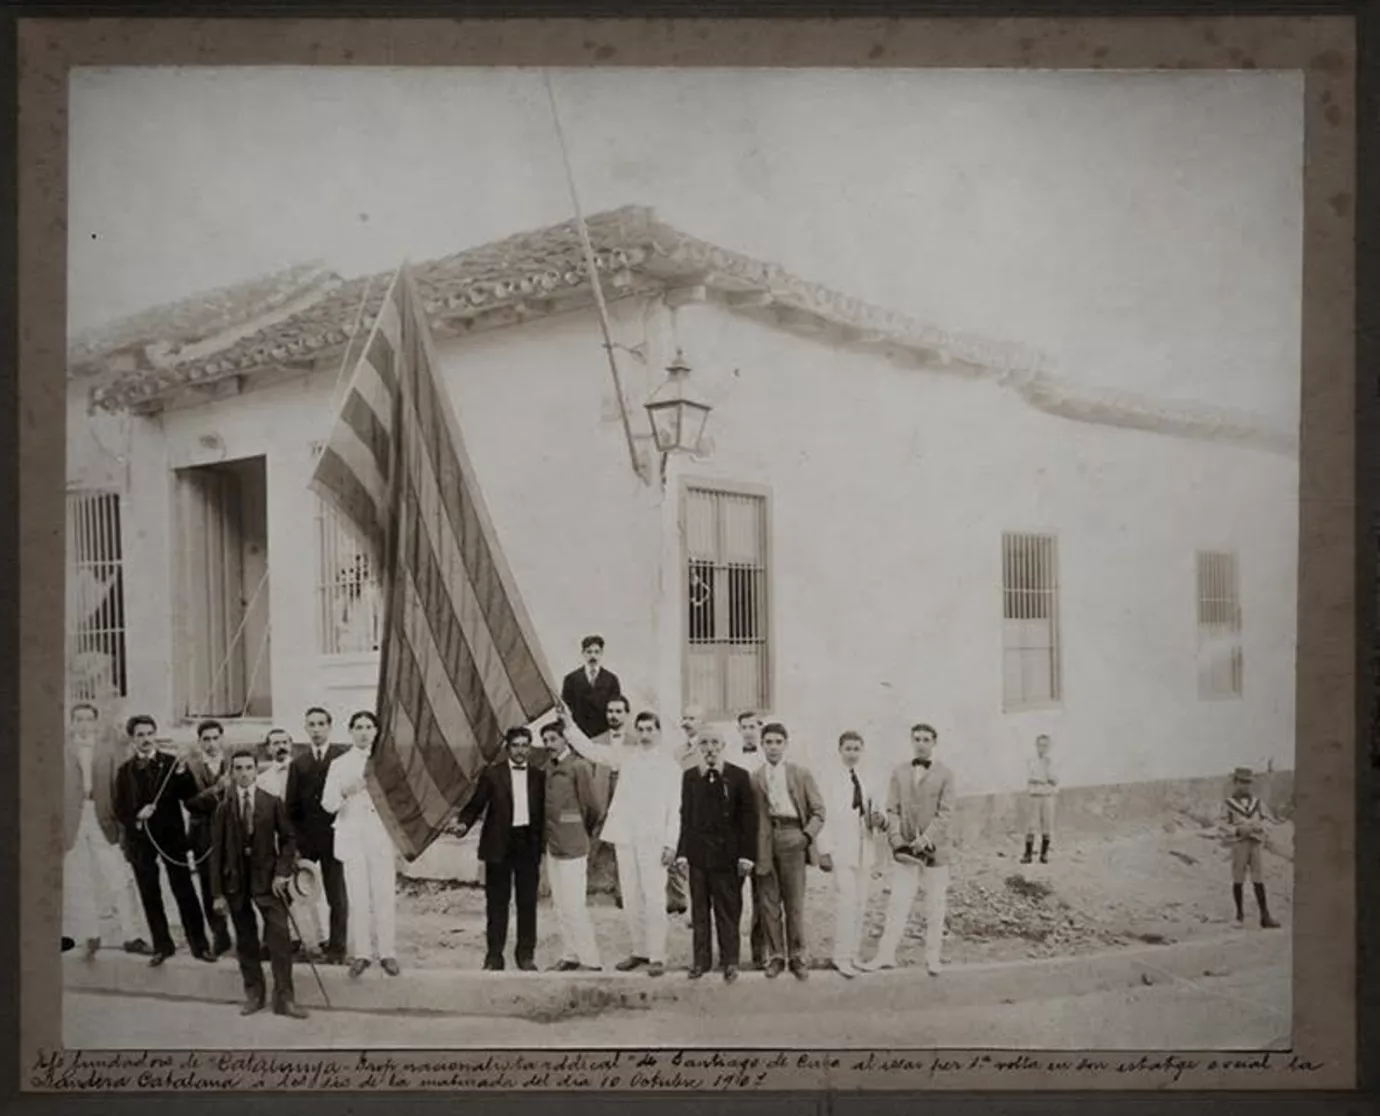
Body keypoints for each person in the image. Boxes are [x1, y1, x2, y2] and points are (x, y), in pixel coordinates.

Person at [574, 710, 680, 977]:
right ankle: (639, 950)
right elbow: (592, 751)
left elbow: (675, 809)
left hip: (654, 840)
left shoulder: (670, 766)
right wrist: (568, 726)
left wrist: (670, 843)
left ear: (658, 732)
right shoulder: (627, 758)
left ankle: (657, 955)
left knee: (655, 898)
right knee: (631, 898)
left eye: (650, 730)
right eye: (641, 730)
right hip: (626, 837)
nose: (645, 735)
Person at [209, 747, 307, 1019]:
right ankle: (254, 994)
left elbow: (288, 840)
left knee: (280, 938)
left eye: (248, 768)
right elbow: (216, 853)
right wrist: (217, 893)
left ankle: (284, 999)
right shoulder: (223, 808)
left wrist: (282, 873)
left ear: (256, 770)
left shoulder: (271, 801)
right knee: (246, 940)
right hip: (236, 883)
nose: (243, 773)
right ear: (231, 772)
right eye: (237, 768)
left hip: (269, 883)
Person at [113, 715, 214, 967]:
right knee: (149, 892)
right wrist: (138, 814)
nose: (146, 739)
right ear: (132, 738)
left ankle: (199, 945)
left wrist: (181, 774)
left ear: (155, 734)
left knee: (184, 890)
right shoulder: (125, 771)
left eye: (149, 733)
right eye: (140, 735)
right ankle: (162, 945)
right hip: (141, 840)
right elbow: (119, 808)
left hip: (171, 838)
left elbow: (189, 797)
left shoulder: (172, 764)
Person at [863, 723, 955, 977]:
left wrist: (926, 839)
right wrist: (895, 838)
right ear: (911, 741)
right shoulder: (900, 772)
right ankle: (885, 955)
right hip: (906, 851)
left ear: (934, 742)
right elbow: (892, 809)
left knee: (935, 906)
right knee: (897, 903)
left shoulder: (945, 774)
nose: (921, 743)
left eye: (926, 739)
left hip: (935, 852)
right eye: (917, 739)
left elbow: (946, 813)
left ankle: (933, 958)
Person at [61, 703, 150, 958]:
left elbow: (120, 789)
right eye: (79, 719)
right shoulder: (62, 751)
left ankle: (132, 936)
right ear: (72, 723)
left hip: (104, 818)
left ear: (96, 723)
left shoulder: (108, 751)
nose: (84, 724)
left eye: (89, 719)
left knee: (120, 878)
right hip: (73, 820)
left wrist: (123, 826)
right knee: (78, 880)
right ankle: (90, 934)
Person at [455, 726, 546, 971]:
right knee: (497, 903)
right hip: (498, 846)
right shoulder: (492, 774)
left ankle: (525, 956)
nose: (520, 751)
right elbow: (476, 804)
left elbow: (546, 813)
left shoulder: (539, 776)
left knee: (527, 903)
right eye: (516, 745)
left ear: (530, 748)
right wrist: (464, 823)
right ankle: (494, 956)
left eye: (525, 745)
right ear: (507, 748)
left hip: (528, 845)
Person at [322, 710, 400, 978]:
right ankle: (362, 954)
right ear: (351, 731)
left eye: (369, 727)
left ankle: (387, 952)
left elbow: (400, 802)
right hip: (353, 836)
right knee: (357, 896)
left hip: (380, 836)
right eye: (359, 727)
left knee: (384, 895)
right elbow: (327, 803)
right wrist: (345, 790)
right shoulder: (339, 764)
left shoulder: (387, 764)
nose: (364, 732)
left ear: (377, 731)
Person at [675, 728, 757, 983]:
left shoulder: (739, 776)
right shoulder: (690, 777)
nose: (709, 748)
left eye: (714, 742)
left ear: (723, 745)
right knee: (700, 911)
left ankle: (730, 961)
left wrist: (746, 855)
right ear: (698, 748)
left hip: (728, 858)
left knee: (728, 910)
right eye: (704, 743)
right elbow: (685, 817)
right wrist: (683, 853)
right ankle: (701, 961)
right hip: (699, 857)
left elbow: (748, 819)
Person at [750, 723, 826, 981]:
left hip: (793, 835)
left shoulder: (800, 774)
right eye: (768, 742)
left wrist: (806, 837)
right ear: (762, 745)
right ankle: (776, 956)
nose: (773, 747)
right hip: (765, 839)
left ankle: (797, 955)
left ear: (785, 744)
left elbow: (819, 811)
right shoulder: (755, 777)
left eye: (777, 742)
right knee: (769, 902)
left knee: (794, 902)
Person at [538, 717, 608, 971]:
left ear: (565, 739)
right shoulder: (547, 767)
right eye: (545, 740)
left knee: (575, 905)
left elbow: (593, 808)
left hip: (574, 845)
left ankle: (591, 959)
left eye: (553, 739)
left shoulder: (579, 767)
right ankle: (570, 955)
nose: (549, 744)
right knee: (560, 905)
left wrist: (578, 830)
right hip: (553, 845)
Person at [815, 730, 887, 978]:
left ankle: (853, 953)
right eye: (848, 748)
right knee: (846, 903)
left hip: (864, 849)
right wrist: (824, 849)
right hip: (841, 850)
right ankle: (841, 956)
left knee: (860, 904)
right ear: (840, 750)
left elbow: (877, 808)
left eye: (857, 748)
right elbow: (824, 816)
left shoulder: (868, 779)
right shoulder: (831, 779)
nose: (853, 753)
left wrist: (879, 818)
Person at [284, 706, 350, 963]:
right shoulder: (299, 764)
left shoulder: (341, 757)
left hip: (335, 838)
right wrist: (296, 843)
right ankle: (298, 941)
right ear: (306, 729)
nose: (316, 729)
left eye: (321, 724)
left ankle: (337, 949)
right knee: (297, 892)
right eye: (311, 724)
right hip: (307, 839)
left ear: (329, 726)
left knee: (337, 895)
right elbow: (291, 807)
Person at [256, 728, 327, 959]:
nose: (280, 747)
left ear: (292, 744)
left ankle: (318, 940)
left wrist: (302, 841)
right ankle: (293, 940)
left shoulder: (302, 770)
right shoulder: (262, 779)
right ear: (268, 748)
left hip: (303, 839)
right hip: (277, 842)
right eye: (274, 743)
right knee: (281, 890)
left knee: (308, 888)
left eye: (284, 742)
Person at [174, 719, 235, 958]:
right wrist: (217, 790)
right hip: (203, 836)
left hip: (232, 834)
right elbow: (190, 803)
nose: (211, 744)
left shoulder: (234, 764)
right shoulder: (192, 767)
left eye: (215, 738)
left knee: (235, 883)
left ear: (222, 739)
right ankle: (220, 936)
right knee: (210, 886)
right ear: (199, 742)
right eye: (206, 739)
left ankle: (246, 936)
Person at [1219, 767, 1281, 929]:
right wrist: (1238, 830)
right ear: (1235, 782)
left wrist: (1261, 828)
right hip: (1239, 843)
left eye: (1248, 782)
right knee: (1238, 877)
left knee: (1258, 878)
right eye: (1242, 782)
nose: (1245, 786)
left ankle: (1265, 915)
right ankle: (1239, 916)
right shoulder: (1228, 804)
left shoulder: (1257, 802)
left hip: (1255, 842)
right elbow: (1222, 824)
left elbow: (1268, 820)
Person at [730, 710, 767, 967]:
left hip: (762, 834)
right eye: (744, 726)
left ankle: (760, 953)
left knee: (762, 894)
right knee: (732, 893)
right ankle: (731, 952)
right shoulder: (731, 759)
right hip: (737, 834)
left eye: (753, 726)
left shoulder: (770, 758)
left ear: (760, 728)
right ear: (738, 730)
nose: (749, 731)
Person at [665, 704, 704, 916]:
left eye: (692, 718)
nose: (686, 723)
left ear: (702, 722)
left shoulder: (708, 748)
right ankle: (680, 901)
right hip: (681, 807)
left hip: (700, 810)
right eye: (684, 718)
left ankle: (697, 907)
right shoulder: (678, 751)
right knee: (680, 857)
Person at [559, 635, 623, 740]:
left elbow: (616, 709)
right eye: (589, 652)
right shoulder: (571, 679)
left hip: (604, 735)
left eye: (596, 652)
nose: (593, 656)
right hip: (580, 735)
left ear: (601, 653)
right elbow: (565, 710)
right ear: (583, 653)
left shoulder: (611, 679)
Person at [1021, 734, 1058, 865]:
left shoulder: (1052, 762)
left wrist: (1044, 778)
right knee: (1031, 825)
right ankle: (1028, 854)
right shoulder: (1031, 761)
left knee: (1047, 825)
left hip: (1047, 797)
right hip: (1035, 797)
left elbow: (1055, 779)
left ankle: (1044, 854)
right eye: (1040, 745)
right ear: (1036, 746)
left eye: (1045, 745)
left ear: (1049, 747)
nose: (1042, 748)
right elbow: (1030, 778)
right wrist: (1044, 779)